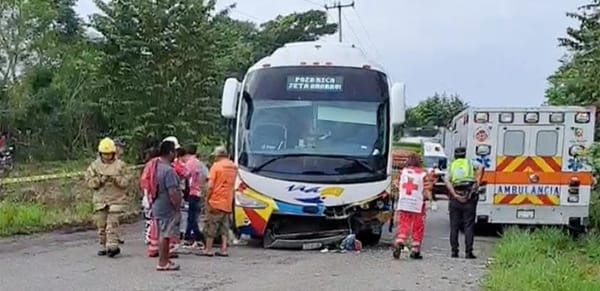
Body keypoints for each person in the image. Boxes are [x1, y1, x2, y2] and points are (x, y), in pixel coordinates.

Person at [84, 137, 130, 257]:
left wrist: (116, 179)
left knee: (112, 224)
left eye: (109, 154)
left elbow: (126, 182)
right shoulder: (94, 166)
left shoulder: (120, 165)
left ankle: (112, 246)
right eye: (105, 154)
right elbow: (90, 182)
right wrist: (101, 180)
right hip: (101, 200)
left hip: (116, 200)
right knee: (101, 225)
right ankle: (103, 245)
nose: (107, 157)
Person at [444, 146, 484, 259]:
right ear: (464, 154)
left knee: (454, 225)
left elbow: (447, 180)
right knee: (469, 225)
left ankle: (454, 251)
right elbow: (481, 166)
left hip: (455, 198)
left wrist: (455, 194)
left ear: (455, 155)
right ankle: (468, 252)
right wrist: (477, 182)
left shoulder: (451, 165)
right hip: (469, 196)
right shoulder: (470, 163)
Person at [392, 153, 433, 260]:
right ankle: (415, 248)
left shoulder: (403, 172)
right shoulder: (423, 173)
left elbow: (396, 184)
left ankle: (399, 241)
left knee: (404, 224)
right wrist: (430, 200)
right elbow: (427, 189)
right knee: (418, 225)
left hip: (404, 202)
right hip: (417, 204)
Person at [198, 146, 237, 257]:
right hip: (228, 201)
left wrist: (207, 198)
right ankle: (224, 249)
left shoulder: (216, 167)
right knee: (224, 227)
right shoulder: (233, 167)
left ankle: (208, 249)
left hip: (216, 201)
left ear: (218, 155)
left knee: (211, 225)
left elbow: (210, 186)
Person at [152, 140, 182, 271]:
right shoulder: (169, 171)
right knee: (165, 235)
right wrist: (177, 206)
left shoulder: (156, 166)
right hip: (167, 207)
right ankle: (163, 262)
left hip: (157, 205)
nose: (176, 154)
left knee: (162, 234)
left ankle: (164, 260)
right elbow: (173, 192)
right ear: (170, 152)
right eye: (174, 151)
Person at [181, 144, 209, 249]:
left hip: (193, 192)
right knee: (192, 216)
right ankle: (188, 237)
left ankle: (199, 237)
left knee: (192, 217)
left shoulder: (189, 163)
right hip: (199, 192)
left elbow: (185, 175)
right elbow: (207, 176)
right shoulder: (200, 164)